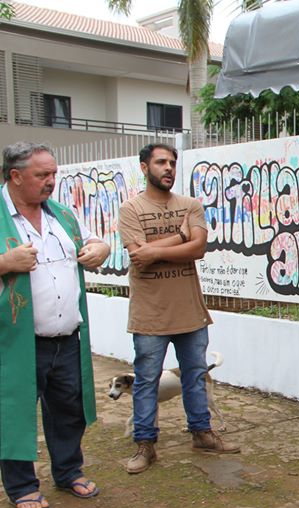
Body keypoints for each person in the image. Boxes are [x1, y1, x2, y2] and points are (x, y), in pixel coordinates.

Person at [0, 142, 110, 508]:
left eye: (53, 174)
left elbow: (93, 239)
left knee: (69, 409)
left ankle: (68, 471)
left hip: (67, 339)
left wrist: (101, 248)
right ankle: (21, 486)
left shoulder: (62, 214)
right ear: (15, 176)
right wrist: (4, 262)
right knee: (14, 412)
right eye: (42, 175)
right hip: (16, 341)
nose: (51, 181)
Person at [119, 143, 239, 474]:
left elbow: (198, 248)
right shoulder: (131, 209)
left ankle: (202, 433)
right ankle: (146, 445)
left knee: (195, 375)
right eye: (160, 162)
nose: (168, 168)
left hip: (189, 310)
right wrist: (177, 238)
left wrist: (157, 249)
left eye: (172, 162)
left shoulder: (191, 205)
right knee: (145, 381)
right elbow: (137, 256)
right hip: (149, 313)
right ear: (145, 168)